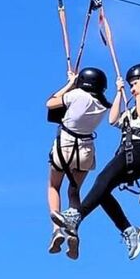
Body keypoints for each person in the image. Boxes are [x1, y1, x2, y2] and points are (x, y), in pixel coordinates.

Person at [51, 63, 140, 260]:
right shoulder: (132, 109)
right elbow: (113, 120)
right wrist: (119, 92)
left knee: (102, 180)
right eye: (131, 85)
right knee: (102, 191)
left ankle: (76, 217)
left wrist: (139, 94)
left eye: (135, 84)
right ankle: (130, 230)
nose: (133, 88)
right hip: (128, 152)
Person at [46, 67, 111, 260]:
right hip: (86, 150)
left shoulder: (76, 94)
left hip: (65, 145)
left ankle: (57, 229)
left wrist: (69, 83)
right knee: (74, 191)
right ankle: (73, 230)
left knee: (54, 186)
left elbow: (50, 103)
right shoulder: (102, 105)